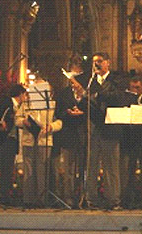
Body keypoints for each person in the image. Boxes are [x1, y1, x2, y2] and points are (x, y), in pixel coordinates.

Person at [74, 52, 122, 210]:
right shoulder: (90, 81)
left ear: (108, 62)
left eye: (100, 61)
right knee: (91, 165)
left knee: (111, 167)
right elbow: (87, 106)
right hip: (94, 128)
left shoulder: (116, 79)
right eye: (94, 62)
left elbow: (116, 98)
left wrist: (96, 92)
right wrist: (81, 98)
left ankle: (113, 200)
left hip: (110, 127)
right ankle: (91, 198)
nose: (96, 65)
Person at [21, 80, 62, 208]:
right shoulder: (27, 103)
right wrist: (24, 122)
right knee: (29, 170)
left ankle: (42, 199)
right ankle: (29, 199)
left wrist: (51, 126)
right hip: (29, 139)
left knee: (42, 170)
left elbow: (60, 121)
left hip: (44, 140)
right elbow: (17, 119)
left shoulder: (53, 105)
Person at [0, 84, 27, 206]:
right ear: (20, 94)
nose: (26, 97)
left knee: (7, 170)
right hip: (0, 140)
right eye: (25, 94)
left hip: (11, 141)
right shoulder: (6, 102)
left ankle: (4, 197)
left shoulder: (21, 107)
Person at [53, 58, 87, 208]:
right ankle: (68, 197)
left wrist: (83, 112)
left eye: (78, 74)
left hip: (84, 135)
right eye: (72, 75)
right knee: (68, 170)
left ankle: (83, 198)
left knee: (83, 169)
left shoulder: (87, 94)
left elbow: (95, 112)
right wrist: (68, 113)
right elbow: (58, 113)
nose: (74, 79)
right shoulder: (64, 93)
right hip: (68, 135)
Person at [119, 76, 142, 208]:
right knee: (128, 171)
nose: (134, 91)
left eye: (137, 88)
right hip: (129, 140)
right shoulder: (125, 99)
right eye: (131, 88)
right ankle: (128, 198)